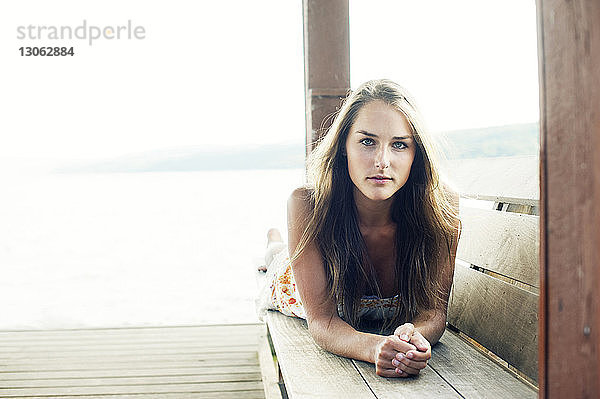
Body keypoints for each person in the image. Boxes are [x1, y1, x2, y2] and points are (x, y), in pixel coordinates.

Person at [257, 79, 461, 378]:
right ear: (343, 147)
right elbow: (323, 322)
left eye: (400, 144)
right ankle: (274, 242)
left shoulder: (440, 209)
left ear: (416, 154)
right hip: (294, 283)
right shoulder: (306, 204)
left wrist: (413, 338)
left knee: (282, 250)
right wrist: (375, 347)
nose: (382, 161)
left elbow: (433, 313)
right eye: (367, 142)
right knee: (277, 257)